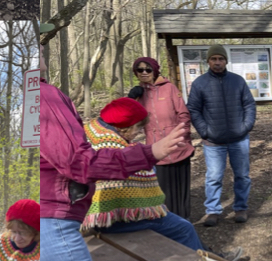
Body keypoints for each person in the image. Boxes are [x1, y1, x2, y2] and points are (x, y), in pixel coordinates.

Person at [39, 39, 187, 261]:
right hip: (74, 223)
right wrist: (150, 153)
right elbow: (88, 170)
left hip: (65, 220)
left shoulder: (95, 125)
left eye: (147, 70)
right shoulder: (45, 97)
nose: (143, 74)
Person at [82, 98, 204, 249]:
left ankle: (210, 256)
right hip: (112, 220)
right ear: (126, 127)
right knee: (184, 228)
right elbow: (133, 192)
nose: (139, 131)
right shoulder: (113, 146)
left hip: (92, 213)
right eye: (138, 127)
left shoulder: (92, 129)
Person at [186, 47, 256, 226]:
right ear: (208, 61)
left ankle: (240, 208)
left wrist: (246, 126)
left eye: (221, 59)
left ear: (226, 61)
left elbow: (249, 104)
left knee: (242, 175)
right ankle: (213, 210)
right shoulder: (200, 83)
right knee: (214, 177)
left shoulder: (237, 81)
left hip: (239, 139)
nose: (217, 62)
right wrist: (204, 131)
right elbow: (193, 109)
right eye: (214, 59)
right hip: (213, 141)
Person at [128, 56, 194, 218]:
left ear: (155, 70)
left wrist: (181, 136)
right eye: (139, 70)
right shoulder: (138, 94)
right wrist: (130, 100)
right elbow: (127, 121)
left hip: (178, 146)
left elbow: (184, 114)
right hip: (156, 150)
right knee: (162, 189)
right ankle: (168, 220)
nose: (144, 73)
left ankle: (184, 219)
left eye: (148, 69)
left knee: (181, 186)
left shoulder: (169, 88)